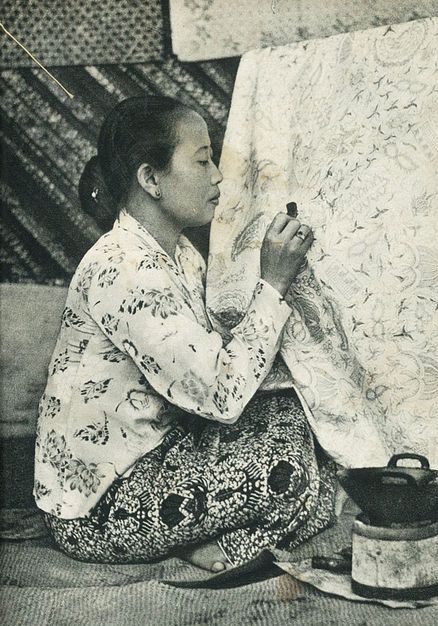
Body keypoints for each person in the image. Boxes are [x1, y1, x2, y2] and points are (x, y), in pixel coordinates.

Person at [34, 96, 336, 571]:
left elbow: (218, 365)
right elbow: (221, 396)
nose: (218, 176)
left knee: (311, 419)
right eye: (202, 161)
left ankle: (287, 510)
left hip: (165, 452)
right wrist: (273, 283)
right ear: (151, 179)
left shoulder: (177, 252)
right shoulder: (124, 269)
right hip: (100, 505)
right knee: (290, 472)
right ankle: (234, 547)